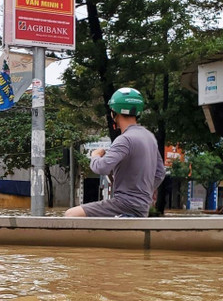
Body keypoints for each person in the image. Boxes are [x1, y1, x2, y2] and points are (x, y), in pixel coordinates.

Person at [65, 88, 165, 218]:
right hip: (143, 206)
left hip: (124, 204)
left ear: (114, 113)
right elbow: (160, 172)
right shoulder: (149, 137)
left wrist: (95, 156)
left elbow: (101, 167)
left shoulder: (125, 139)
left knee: (71, 214)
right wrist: (143, 193)